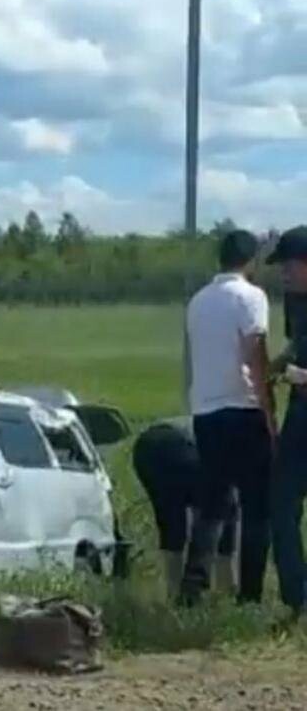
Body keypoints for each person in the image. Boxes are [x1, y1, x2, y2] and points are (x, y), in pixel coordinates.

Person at [180, 229, 275, 604]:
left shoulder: (198, 301)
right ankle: (249, 594)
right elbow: (255, 352)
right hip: (243, 407)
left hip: (206, 410)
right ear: (250, 262)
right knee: (257, 507)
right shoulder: (251, 297)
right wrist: (268, 407)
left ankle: (193, 588)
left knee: (212, 504)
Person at [133, 417, 238, 602]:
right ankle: (217, 590)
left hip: (146, 446)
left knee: (171, 521)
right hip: (181, 446)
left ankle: (172, 592)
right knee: (218, 511)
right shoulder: (240, 440)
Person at [267, 227, 307, 620]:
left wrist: (302, 376)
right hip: (300, 416)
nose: (284, 274)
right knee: (281, 504)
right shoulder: (295, 302)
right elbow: (298, 344)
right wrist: (276, 365)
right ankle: (299, 599)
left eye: (289, 266)